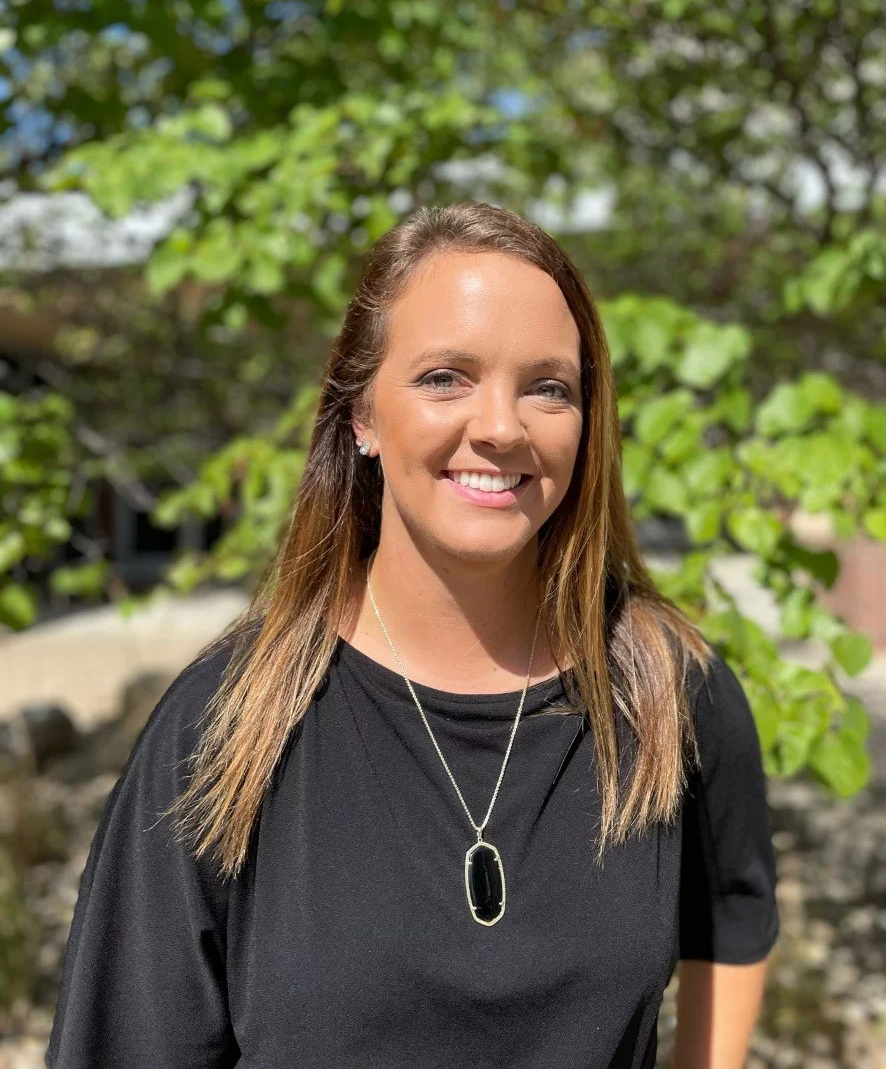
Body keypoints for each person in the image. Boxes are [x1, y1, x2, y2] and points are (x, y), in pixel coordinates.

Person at [46, 201, 779, 1069]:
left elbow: (734, 910)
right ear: (360, 415)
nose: (501, 426)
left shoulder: (666, 688)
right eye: (445, 377)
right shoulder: (224, 727)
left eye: (549, 387)